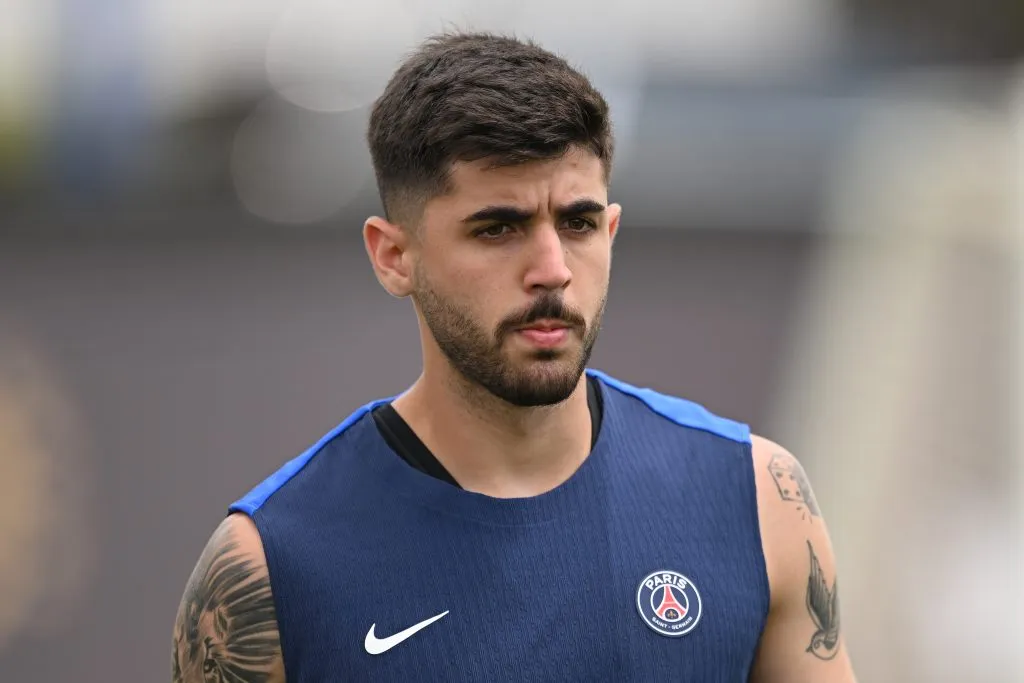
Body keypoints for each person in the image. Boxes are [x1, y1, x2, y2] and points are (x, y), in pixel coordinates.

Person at [171, 31, 857, 682]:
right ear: (393, 255)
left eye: (579, 223)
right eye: (499, 227)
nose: (552, 269)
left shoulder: (755, 498)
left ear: (612, 230)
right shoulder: (270, 565)